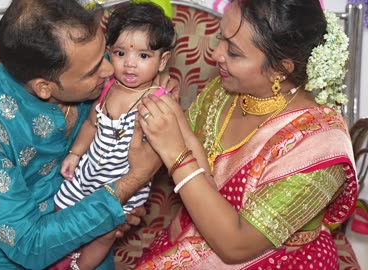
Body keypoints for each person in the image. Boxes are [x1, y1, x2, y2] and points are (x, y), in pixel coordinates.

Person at [0, 0, 176, 269]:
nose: (109, 70)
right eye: (94, 70)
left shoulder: (98, 72)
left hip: (86, 241)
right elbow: (29, 245)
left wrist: (157, 86)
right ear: (44, 88)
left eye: (106, 54)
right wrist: (131, 182)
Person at [134, 0, 358, 269]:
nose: (216, 54)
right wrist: (158, 110)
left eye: (234, 52)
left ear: (280, 68)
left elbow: (236, 245)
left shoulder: (319, 145)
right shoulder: (224, 91)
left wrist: (176, 154)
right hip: (190, 237)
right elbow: (173, 156)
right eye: (221, 38)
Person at [55, 2, 176, 214]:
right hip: (88, 173)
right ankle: (71, 249)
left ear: (162, 60)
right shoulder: (106, 86)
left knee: (106, 233)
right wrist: (74, 154)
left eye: (143, 56)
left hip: (126, 184)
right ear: (108, 52)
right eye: (120, 54)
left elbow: (170, 145)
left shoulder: (158, 100)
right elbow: (91, 124)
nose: (129, 63)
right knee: (60, 207)